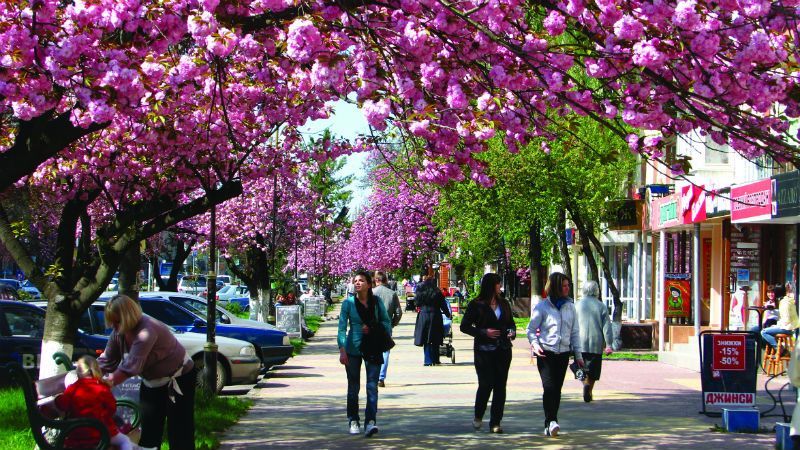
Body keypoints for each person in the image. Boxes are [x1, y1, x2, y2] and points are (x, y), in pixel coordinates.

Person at [98, 294, 196, 450]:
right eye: (112, 322)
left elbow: (130, 367)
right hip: (151, 381)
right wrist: (88, 376)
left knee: (179, 429)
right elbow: (107, 360)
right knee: (149, 428)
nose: (114, 327)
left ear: (128, 317)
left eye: (117, 322)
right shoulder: (118, 332)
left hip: (179, 378)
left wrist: (105, 383)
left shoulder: (147, 330)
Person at [527, 272, 583, 438]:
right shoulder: (543, 307)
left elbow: (575, 333)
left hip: (563, 354)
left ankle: (549, 423)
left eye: (568, 285)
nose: (567, 288)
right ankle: (552, 421)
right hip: (545, 353)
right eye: (564, 286)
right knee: (549, 387)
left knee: (556, 390)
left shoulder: (571, 307)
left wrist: (578, 355)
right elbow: (530, 330)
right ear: (557, 287)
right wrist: (535, 345)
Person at [337, 270, 392, 437]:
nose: (357, 283)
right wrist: (342, 349)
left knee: (372, 386)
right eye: (355, 281)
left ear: (369, 284)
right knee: (353, 387)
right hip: (352, 348)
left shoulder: (377, 302)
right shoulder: (348, 303)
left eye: (361, 280)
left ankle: (370, 422)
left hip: (373, 347)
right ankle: (353, 420)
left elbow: (386, 322)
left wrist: (374, 328)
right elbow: (341, 328)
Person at [460, 273, 515, 433]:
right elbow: (465, 326)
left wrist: (512, 332)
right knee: (485, 384)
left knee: (500, 387)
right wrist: (484, 332)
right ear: (491, 286)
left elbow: (510, 323)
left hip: (503, 350)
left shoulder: (504, 303)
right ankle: (478, 415)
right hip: (484, 351)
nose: (500, 287)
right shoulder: (476, 304)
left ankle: (495, 422)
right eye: (498, 284)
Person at [56, 355, 133, 450]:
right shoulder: (102, 387)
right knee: (124, 441)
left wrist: (58, 398)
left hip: (76, 433)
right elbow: (111, 408)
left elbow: (63, 405)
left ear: (78, 372)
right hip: (101, 433)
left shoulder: (73, 388)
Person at [574, 280, 613, 403]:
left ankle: (585, 384)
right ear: (597, 290)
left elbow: (571, 324)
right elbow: (607, 327)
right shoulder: (601, 306)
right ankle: (589, 390)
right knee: (594, 370)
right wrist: (609, 344)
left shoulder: (577, 305)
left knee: (580, 367)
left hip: (579, 343)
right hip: (596, 343)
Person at [373, 271, 403, 388]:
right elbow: (398, 312)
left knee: (374, 350)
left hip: (373, 325)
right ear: (385, 280)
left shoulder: (371, 293)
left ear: (376, 280)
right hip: (386, 325)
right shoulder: (392, 293)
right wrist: (393, 323)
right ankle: (381, 377)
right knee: (385, 351)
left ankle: (374, 376)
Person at [413, 277, 451, 366]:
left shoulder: (421, 292)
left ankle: (427, 360)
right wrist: (448, 314)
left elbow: (416, 303)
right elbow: (443, 305)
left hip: (424, 315)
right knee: (435, 337)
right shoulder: (438, 292)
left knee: (426, 338)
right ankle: (436, 359)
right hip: (435, 316)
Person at [761, 284, 798, 351]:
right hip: (790, 327)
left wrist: (777, 325)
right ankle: (773, 348)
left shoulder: (784, 303)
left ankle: (779, 349)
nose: (772, 294)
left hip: (787, 328)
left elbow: (786, 320)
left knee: (764, 332)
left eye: (774, 292)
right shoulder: (787, 300)